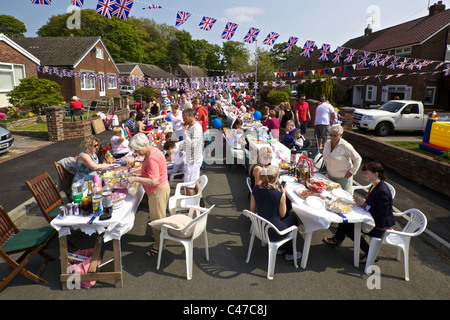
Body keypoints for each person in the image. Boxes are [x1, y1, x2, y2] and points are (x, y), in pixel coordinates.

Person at [323, 162, 395, 263]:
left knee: (350, 229)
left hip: (380, 226)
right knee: (345, 220)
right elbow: (373, 204)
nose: (364, 175)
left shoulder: (382, 191)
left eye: (367, 173)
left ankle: (370, 253)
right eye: (364, 173)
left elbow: (381, 216)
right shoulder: (376, 184)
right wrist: (361, 203)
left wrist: (364, 204)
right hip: (372, 218)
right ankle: (338, 239)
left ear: (376, 174)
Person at [127, 133, 170, 257]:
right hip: (161, 187)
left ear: (143, 146)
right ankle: (160, 237)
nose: (136, 152)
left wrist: (136, 179)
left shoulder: (151, 158)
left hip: (157, 190)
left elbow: (153, 181)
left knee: (157, 219)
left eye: (136, 149)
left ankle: (159, 245)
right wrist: (141, 173)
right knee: (159, 216)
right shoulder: (154, 150)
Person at [250, 165, 301, 261]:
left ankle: (281, 248)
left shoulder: (255, 189)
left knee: (285, 220)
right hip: (274, 233)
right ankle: (289, 253)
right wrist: (283, 194)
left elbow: (253, 210)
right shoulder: (279, 194)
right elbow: (282, 214)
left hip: (260, 227)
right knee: (293, 219)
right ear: (274, 179)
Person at [322, 124, 362, 194]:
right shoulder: (327, 144)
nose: (332, 137)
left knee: (343, 200)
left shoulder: (345, 146)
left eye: (335, 135)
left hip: (343, 179)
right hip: (330, 177)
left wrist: (351, 172)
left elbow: (358, 158)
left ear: (341, 135)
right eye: (331, 135)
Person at [182, 108, 204, 197]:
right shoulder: (191, 126)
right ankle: (200, 200)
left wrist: (185, 133)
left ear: (191, 116)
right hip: (193, 158)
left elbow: (193, 145)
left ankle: (190, 206)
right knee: (195, 181)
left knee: (189, 185)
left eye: (185, 119)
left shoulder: (196, 128)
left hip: (194, 160)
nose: (184, 121)